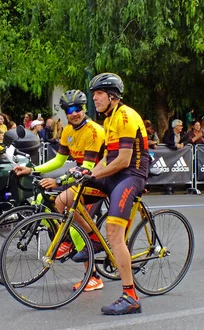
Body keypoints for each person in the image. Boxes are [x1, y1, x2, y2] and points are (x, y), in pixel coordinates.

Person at [60, 73, 148, 315]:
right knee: (66, 198)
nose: (94, 98)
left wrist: (96, 175)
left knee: (114, 233)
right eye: (94, 94)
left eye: (98, 94)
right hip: (114, 172)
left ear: (112, 96)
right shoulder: (109, 119)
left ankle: (130, 296)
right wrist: (88, 175)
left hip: (131, 175)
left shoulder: (126, 116)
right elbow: (108, 158)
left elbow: (123, 160)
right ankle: (94, 239)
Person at [14, 89, 106, 292]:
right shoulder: (67, 131)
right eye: (69, 110)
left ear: (84, 109)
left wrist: (59, 180)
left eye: (78, 108)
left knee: (71, 216)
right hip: (85, 178)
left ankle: (93, 271)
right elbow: (59, 160)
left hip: (102, 178)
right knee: (58, 203)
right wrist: (33, 169)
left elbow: (90, 167)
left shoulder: (93, 131)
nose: (74, 113)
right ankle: (76, 239)